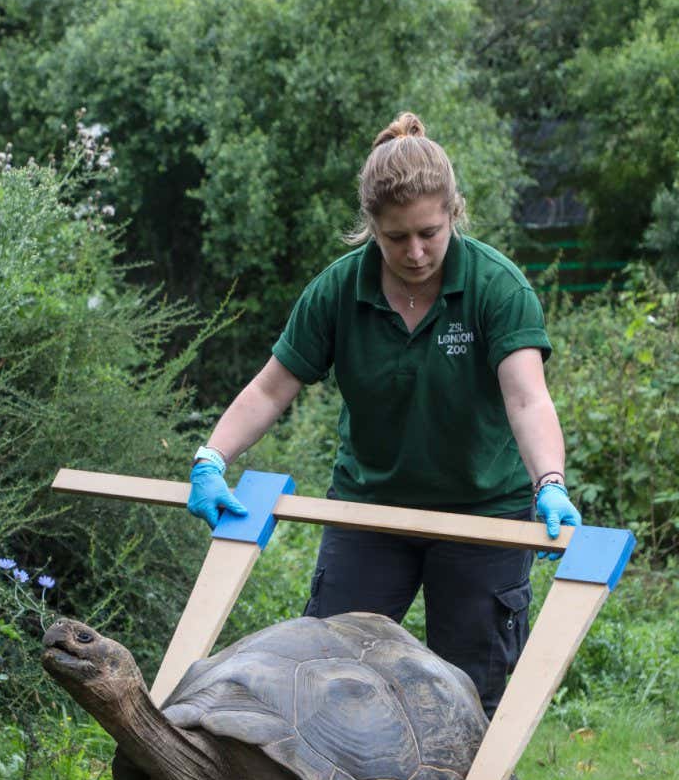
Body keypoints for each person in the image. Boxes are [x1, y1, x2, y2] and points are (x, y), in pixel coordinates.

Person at [188, 110, 582, 720]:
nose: (417, 252)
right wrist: (211, 458)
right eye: (397, 238)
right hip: (369, 510)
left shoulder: (497, 287)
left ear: (454, 212)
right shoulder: (338, 291)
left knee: (473, 692)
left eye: (430, 232)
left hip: (483, 513)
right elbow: (271, 390)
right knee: (326, 677)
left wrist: (550, 483)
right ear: (371, 226)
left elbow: (527, 397)